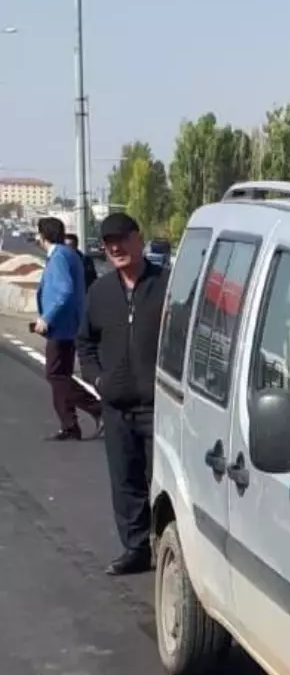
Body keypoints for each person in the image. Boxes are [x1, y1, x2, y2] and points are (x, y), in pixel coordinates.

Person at [77, 211, 170, 576]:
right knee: (125, 481)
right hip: (116, 407)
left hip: (159, 406)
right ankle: (135, 548)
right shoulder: (100, 292)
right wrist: (97, 380)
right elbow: (85, 343)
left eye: (122, 239)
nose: (116, 248)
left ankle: (166, 548)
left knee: (161, 481)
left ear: (139, 238)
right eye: (108, 243)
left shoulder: (167, 285)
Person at [33, 216, 103, 441]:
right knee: (60, 375)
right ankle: (69, 425)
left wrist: (47, 318)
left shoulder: (60, 257)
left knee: (55, 374)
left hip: (62, 327)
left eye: (38, 233)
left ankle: (97, 409)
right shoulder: (66, 254)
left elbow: (64, 291)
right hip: (68, 325)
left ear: (43, 236)